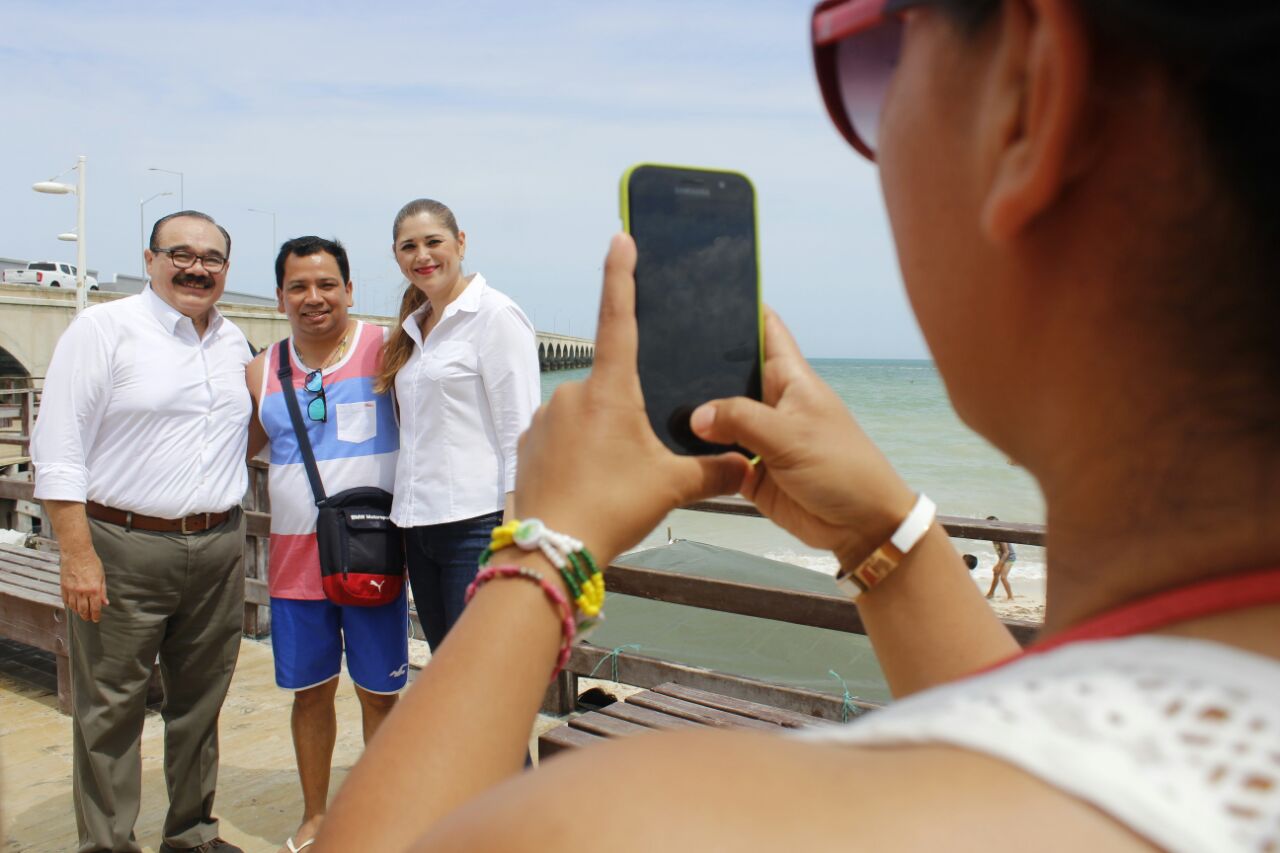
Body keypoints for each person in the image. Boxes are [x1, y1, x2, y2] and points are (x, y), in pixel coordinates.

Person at [316, 1, 1280, 850]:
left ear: (1025, 94)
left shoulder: (638, 822)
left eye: (869, 54)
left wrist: (543, 551)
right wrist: (883, 536)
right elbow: (1068, 737)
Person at [32, 211, 251, 853]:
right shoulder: (104, 330)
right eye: (180, 253)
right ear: (151, 259)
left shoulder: (234, 340)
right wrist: (78, 556)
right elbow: (59, 450)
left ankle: (191, 834)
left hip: (217, 544)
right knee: (110, 708)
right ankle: (107, 843)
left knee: (201, 702)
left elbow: (247, 433)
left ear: (225, 271)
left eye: (211, 258)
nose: (196, 267)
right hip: (122, 546)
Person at [245, 236, 406, 853]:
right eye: (298, 287)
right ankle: (316, 815)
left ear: (348, 288)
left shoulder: (387, 349)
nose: (313, 298)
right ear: (281, 295)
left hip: (373, 558)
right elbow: (237, 453)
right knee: (309, 693)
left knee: (380, 693)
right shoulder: (262, 371)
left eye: (326, 284)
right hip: (293, 566)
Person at [374, 199, 540, 652]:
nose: (422, 255)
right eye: (409, 246)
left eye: (434, 242)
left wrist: (512, 538)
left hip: (477, 528)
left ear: (460, 242)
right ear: (396, 256)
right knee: (446, 665)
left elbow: (522, 435)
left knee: (476, 672)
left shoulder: (495, 316)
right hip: (417, 526)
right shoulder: (413, 328)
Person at [984, 515, 1017, 599]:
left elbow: (1006, 552)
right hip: (1003, 557)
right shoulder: (993, 536)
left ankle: (1010, 597)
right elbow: (1001, 552)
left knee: (1003, 577)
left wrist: (999, 565)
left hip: (1009, 557)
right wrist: (999, 564)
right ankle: (991, 594)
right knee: (996, 574)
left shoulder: (1001, 535)